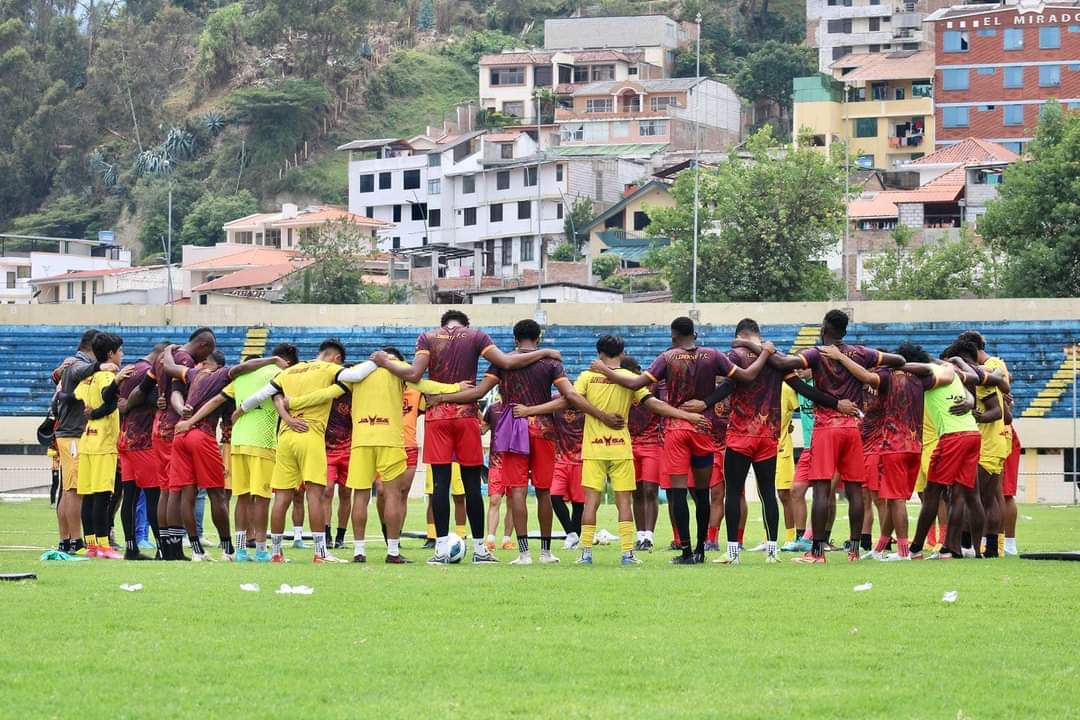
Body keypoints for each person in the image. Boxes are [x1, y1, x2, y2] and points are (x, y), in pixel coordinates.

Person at [423, 318, 618, 565]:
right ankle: (546, 553)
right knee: (544, 492)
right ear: (538, 339)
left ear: (515, 339)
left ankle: (524, 553)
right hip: (544, 429)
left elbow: (478, 392)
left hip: (512, 428)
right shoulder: (551, 361)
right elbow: (568, 396)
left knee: (517, 491)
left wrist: (441, 398)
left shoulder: (502, 363)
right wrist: (600, 415)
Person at [385, 310, 563, 565]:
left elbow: (413, 375)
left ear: (442, 324)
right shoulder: (476, 336)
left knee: (440, 485)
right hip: (467, 414)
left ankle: (441, 549)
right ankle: (480, 549)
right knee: (471, 484)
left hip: (437, 416)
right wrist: (545, 352)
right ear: (466, 324)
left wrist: (383, 360)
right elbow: (508, 363)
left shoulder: (427, 338)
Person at [590, 317, 771, 564]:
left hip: (676, 429)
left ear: (673, 336)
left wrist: (604, 370)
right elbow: (747, 376)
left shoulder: (667, 358)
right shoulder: (713, 355)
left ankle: (685, 551)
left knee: (677, 493)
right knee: (702, 493)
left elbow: (634, 382)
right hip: (703, 427)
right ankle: (700, 549)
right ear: (695, 334)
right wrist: (765, 354)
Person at [285, 346, 461, 564]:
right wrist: (455, 387)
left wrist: (293, 403)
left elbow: (327, 394)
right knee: (393, 494)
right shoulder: (399, 370)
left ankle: (359, 551)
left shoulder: (358, 372)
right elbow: (427, 385)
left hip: (361, 440)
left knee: (360, 496)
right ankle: (393, 552)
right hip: (390, 438)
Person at [572, 335, 708, 565]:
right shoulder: (630, 378)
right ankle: (627, 553)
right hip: (621, 448)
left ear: (599, 353)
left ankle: (586, 553)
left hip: (593, 448)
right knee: (624, 502)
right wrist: (687, 415)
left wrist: (598, 414)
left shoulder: (587, 376)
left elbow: (573, 399)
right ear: (622, 353)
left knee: (590, 503)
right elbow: (654, 403)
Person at [236, 339, 365, 563]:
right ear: (336, 358)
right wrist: (378, 361)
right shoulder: (329, 368)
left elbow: (260, 395)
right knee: (315, 495)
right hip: (310, 433)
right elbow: (355, 376)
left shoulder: (291, 370)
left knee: (281, 497)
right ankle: (320, 553)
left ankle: (276, 553)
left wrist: (240, 411)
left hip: (285, 437)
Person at [791, 310, 905, 564]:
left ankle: (817, 552)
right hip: (853, 429)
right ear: (844, 331)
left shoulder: (816, 354)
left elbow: (786, 366)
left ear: (824, 328)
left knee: (822, 490)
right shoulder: (862, 353)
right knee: (855, 491)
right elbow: (898, 359)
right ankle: (854, 551)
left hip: (825, 428)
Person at [824, 342, 951, 560]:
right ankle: (881, 546)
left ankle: (905, 552)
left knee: (895, 499)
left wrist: (841, 357)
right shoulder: (922, 379)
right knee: (893, 499)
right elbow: (948, 375)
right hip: (915, 446)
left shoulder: (888, 377)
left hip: (893, 446)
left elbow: (866, 376)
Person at [171, 348, 286, 560]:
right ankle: (259, 550)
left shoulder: (236, 381)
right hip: (260, 441)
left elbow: (214, 401)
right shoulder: (274, 373)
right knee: (257, 498)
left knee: (238, 497)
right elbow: (277, 398)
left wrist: (188, 421)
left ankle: (238, 550)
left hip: (236, 442)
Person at [126, 327, 217, 560]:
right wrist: (182, 412)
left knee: (166, 490)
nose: (203, 362)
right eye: (206, 355)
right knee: (180, 490)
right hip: (175, 427)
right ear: (204, 346)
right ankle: (174, 549)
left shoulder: (163, 356)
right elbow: (177, 390)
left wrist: (129, 405)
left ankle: (165, 547)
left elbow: (144, 389)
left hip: (158, 426)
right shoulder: (184, 359)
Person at [947, 342, 1011, 558]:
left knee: (970, 498)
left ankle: (965, 547)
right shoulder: (986, 375)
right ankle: (991, 549)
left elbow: (997, 412)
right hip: (997, 443)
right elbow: (1007, 414)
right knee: (988, 499)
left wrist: (976, 415)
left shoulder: (980, 378)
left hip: (986, 445)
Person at [74, 332, 134, 559]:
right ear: (111, 353)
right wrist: (116, 382)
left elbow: (76, 397)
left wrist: (91, 412)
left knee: (88, 495)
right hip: (103, 443)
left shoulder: (88, 376)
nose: (122, 355)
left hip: (87, 440)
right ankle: (103, 546)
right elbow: (109, 400)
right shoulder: (107, 375)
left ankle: (90, 545)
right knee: (102, 496)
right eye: (120, 351)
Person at [52, 329, 105, 555]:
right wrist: (101, 366)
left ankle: (66, 540)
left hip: (68, 433)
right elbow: (81, 371)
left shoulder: (70, 364)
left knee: (68, 490)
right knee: (74, 490)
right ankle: (75, 540)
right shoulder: (76, 364)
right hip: (73, 434)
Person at [116, 342, 166, 560]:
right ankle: (162, 548)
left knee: (130, 496)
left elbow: (117, 400)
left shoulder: (129, 369)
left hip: (125, 438)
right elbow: (150, 399)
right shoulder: (149, 374)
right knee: (154, 495)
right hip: (143, 441)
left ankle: (131, 547)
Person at [621, 357, 662, 552]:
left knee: (650, 490)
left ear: (638, 370)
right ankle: (640, 535)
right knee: (636, 491)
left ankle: (649, 536)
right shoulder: (620, 387)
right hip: (628, 443)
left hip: (652, 443)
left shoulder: (653, 386)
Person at [324, 389, 353, 550]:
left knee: (346, 493)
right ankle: (326, 534)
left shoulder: (355, 398)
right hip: (327, 451)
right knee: (326, 491)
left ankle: (340, 537)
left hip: (349, 451)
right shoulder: (326, 395)